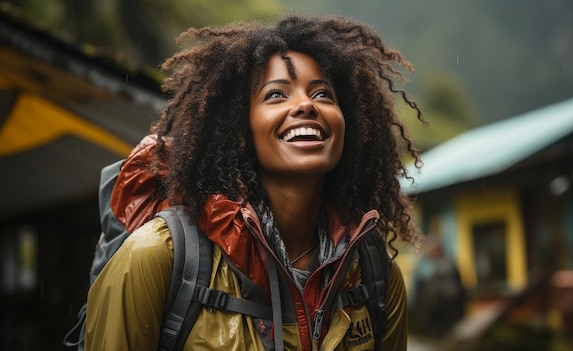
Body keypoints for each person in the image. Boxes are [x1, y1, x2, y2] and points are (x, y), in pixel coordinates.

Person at [84, 14, 424, 350]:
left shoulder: (374, 275)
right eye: (277, 95)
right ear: (238, 129)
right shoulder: (157, 257)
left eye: (323, 95)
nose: (306, 104)